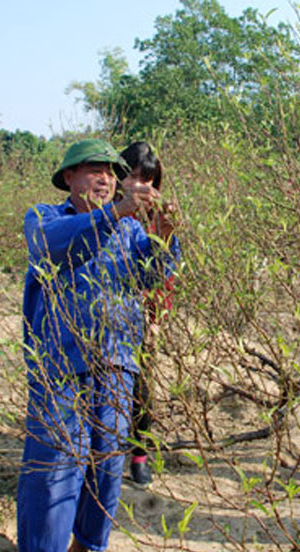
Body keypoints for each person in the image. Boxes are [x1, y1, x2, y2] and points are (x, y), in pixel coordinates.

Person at [17, 138, 180, 552]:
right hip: (60, 369)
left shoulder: (129, 230)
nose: (106, 177)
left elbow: (151, 275)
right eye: (93, 169)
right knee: (53, 470)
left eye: (111, 170)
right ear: (68, 177)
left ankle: (80, 551)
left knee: (107, 464)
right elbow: (52, 248)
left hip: (116, 365)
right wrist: (115, 213)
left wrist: (165, 238)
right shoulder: (45, 218)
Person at [118, 141, 178, 486]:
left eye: (150, 181)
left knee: (143, 388)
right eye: (135, 177)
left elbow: (167, 273)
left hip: (143, 316)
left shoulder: (158, 219)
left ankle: (138, 455)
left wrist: (158, 318)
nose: (142, 187)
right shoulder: (104, 213)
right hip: (106, 314)